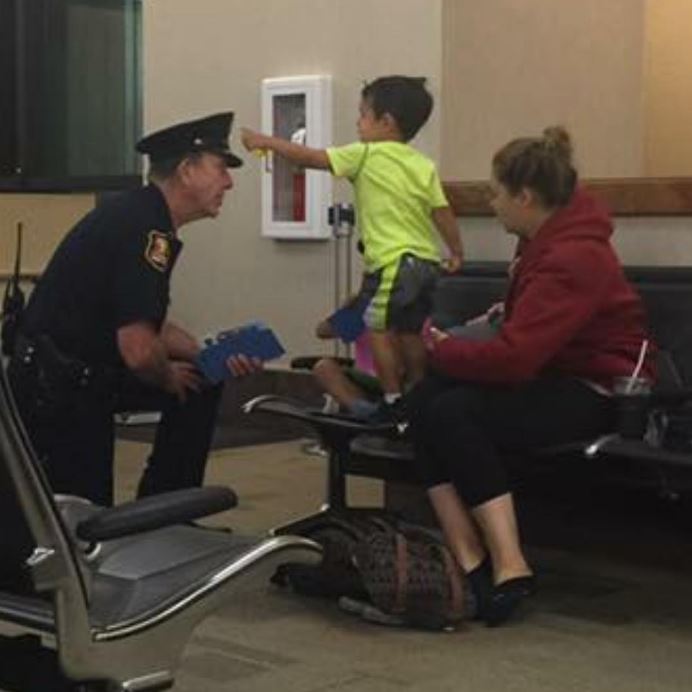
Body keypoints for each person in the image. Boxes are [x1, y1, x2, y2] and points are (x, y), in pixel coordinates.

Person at [409, 126, 655, 626]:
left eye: (496, 192)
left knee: (455, 411)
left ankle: (509, 564)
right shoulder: (545, 242)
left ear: (524, 196)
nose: (491, 202)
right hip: (556, 374)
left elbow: (515, 359)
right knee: (423, 401)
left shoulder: (571, 257)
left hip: (597, 392)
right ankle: (467, 553)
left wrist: (445, 349)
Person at [8, 112, 261, 506]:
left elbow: (147, 322)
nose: (228, 182)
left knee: (202, 377)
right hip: (60, 388)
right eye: (220, 168)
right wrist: (167, 377)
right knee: (82, 520)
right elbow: (140, 351)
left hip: (70, 373)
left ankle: (166, 509)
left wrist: (208, 354)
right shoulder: (146, 230)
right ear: (187, 170)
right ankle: (154, 517)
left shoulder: (140, 215)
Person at [242, 76, 464, 421]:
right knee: (391, 334)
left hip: (391, 285)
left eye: (362, 115)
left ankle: (393, 401)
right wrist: (455, 250)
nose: (357, 123)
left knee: (376, 329)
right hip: (424, 261)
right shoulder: (423, 166)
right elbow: (442, 211)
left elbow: (310, 157)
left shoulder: (365, 155)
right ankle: (412, 394)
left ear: (386, 121)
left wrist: (265, 142)